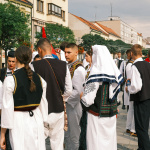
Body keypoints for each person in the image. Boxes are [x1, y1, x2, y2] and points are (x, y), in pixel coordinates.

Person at [0, 45, 48, 150]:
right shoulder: (40, 79)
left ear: (16, 58)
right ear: (30, 59)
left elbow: (7, 109)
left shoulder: (11, 80)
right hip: (36, 118)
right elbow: (44, 105)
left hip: (18, 120)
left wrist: (2, 133)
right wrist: (44, 123)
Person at [80, 45, 123, 150]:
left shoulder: (95, 74)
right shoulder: (114, 72)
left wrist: (81, 96)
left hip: (96, 116)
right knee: (109, 142)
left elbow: (87, 100)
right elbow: (116, 97)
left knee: (96, 143)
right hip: (111, 115)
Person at [31, 38, 72, 150]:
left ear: (39, 49)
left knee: (39, 144)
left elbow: (31, 89)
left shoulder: (34, 65)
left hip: (40, 110)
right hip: (58, 109)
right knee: (57, 145)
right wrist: (60, 98)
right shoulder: (64, 65)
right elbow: (69, 90)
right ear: (51, 48)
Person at [127, 44, 150, 150]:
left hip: (141, 99)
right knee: (144, 126)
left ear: (132, 53)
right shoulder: (147, 64)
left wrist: (129, 89)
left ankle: (144, 148)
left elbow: (136, 87)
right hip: (148, 98)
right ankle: (142, 147)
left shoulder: (135, 66)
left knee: (141, 127)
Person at [64, 43, 85, 150]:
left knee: (74, 135)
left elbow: (78, 91)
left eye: (69, 52)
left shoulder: (79, 69)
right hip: (67, 104)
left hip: (74, 105)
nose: (66, 55)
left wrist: (65, 100)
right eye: (65, 52)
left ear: (76, 53)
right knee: (67, 134)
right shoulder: (68, 66)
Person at [123, 50, 136, 136]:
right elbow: (130, 78)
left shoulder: (129, 64)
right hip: (131, 89)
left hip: (130, 88)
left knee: (131, 109)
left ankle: (129, 127)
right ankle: (132, 129)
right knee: (133, 109)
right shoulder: (131, 65)